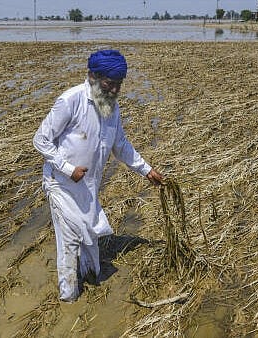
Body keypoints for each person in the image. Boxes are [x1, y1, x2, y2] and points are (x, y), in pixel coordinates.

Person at [33, 49, 164, 302]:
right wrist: (68, 169)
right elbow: (40, 140)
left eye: (118, 85)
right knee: (69, 242)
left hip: (88, 186)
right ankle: (68, 298)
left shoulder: (111, 108)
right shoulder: (70, 101)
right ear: (92, 76)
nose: (114, 90)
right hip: (61, 184)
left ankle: (92, 277)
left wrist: (146, 170)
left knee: (90, 238)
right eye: (109, 83)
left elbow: (121, 145)